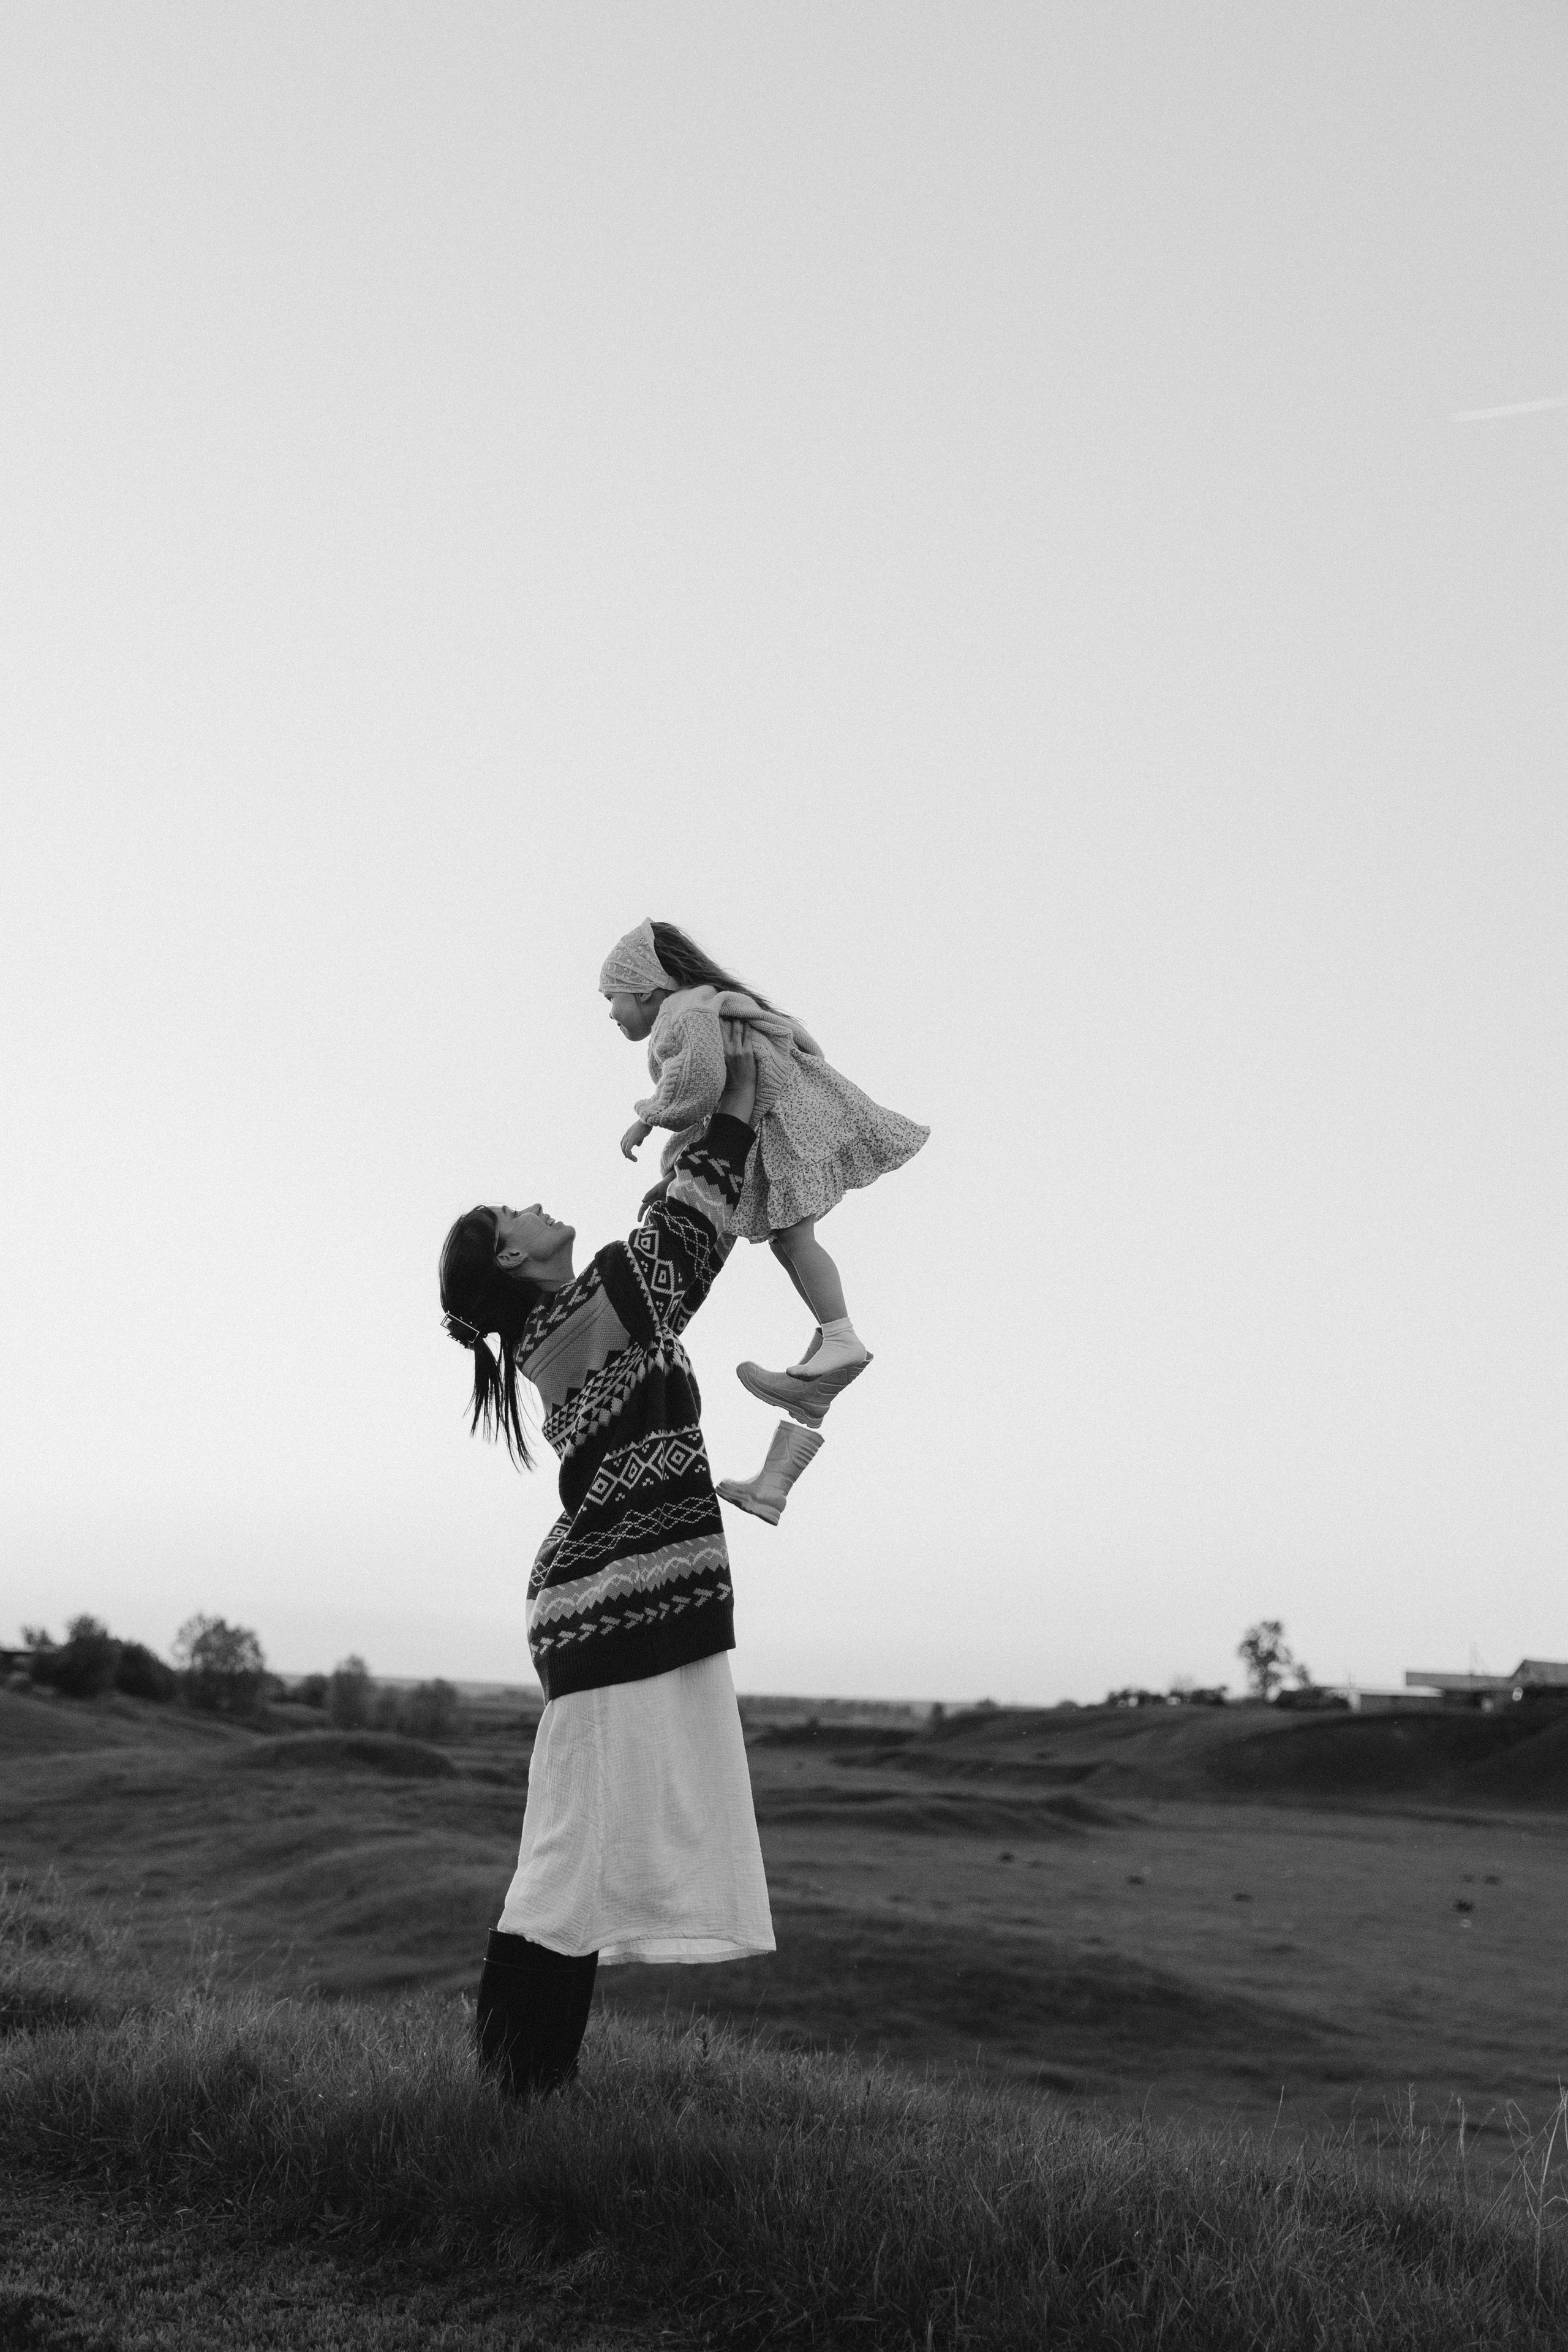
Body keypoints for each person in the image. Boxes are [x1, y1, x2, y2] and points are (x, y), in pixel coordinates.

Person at [437, 1033, 775, 2098]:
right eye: (514, 1215)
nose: (536, 1206)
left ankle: (529, 2092)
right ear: (512, 1260)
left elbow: (680, 1247)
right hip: (611, 1615)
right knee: (566, 1865)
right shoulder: (569, 1326)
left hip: (632, 1609)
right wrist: (731, 1111)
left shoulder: (575, 1315)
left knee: (579, 1859)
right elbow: (679, 1243)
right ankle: (511, 2094)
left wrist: (737, 1113)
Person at [600, 919, 928, 1513]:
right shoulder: (708, 1005)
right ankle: (819, 1375)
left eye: (612, 998)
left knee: (794, 1234)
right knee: (787, 1236)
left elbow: (695, 1087)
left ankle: (840, 1340)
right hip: (779, 1116)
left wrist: (646, 1118)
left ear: (645, 987)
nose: (610, 1013)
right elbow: (763, 1063)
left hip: (778, 1121)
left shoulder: (684, 1011)